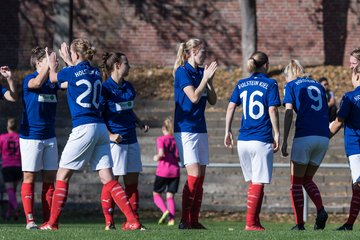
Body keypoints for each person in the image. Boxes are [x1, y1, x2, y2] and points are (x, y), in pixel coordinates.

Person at [40, 39, 140, 231]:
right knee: (108, 178)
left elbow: (53, 79)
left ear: (75, 55)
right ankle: (132, 220)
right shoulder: (95, 72)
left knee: (62, 174)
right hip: (100, 128)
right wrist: (70, 61)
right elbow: (77, 75)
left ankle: (52, 223)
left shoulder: (71, 71)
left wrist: (53, 64)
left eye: (71, 52)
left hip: (83, 127)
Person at [224, 51, 280, 231]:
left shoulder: (241, 83)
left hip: (243, 140)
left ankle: (254, 221)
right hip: (260, 138)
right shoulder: (271, 83)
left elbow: (231, 106)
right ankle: (250, 223)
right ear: (265, 65)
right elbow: (272, 110)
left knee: (254, 181)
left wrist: (227, 130)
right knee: (258, 181)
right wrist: (277, 133)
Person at [100, 51, 149, 230]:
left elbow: (128, 110)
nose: (130, 66)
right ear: (117, 66)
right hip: (116, 142)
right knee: (112, 181)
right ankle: (108, 221)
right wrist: (110, 135)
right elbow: (99, 115)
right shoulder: (105, 88)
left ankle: (132, 221)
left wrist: (139, 122)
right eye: (127, 63)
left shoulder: (129, 87)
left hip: (131, 139)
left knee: (132, 182)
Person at [173, 38, 217, 229]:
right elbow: (192, 97)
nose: (204, 55)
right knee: (194, 174)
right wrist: (204, 79)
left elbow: (213, 100)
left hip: (200, 128)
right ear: (190, 53)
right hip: (186, 130)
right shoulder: (182, 72)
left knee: (201, 177)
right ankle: (184, 219)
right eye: (201, 52)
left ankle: (194, 220)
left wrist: (210, 82)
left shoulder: (201, 72)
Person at [19, 47, 64, 230]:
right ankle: (30, 220)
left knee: (49, 178)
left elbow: (68, 83)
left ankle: (48, 221)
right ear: (38, 63)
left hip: (49, 136)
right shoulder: (30, 79)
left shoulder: (52, 83)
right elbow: (37, 83)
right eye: (48, 59)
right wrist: (48, 66)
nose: (53, 62)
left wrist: (69, 64)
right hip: (31, 137)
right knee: (29, 177)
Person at [281, 60, 329, 231]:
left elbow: (288, 113)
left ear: (289, 74)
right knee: (307, 179)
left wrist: (285, 139)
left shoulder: (291, 85)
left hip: (305, 135)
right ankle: (321, 210)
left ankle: (299, 224)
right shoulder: (318, 85)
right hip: (323, 136)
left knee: (295, 182)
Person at [330, 64, 360, 231]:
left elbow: (338, 122)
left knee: (358, 185)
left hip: (355, 147)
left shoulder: (350, 96)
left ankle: (349, 225)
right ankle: (349, 223)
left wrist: (324, 137)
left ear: (356, 76)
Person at [152, 117, 180, 226]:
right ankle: (171, 220)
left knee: (156, 194)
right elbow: (178, 157)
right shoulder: (176, 140)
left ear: (163, 128)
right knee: (170, 196)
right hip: (175, 171)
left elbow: (161, 153)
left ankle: (165, 211)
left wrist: (156, 157)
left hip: (163, 171)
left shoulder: (161, 139)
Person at [0, 118, 21, 220]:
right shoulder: (20, 138)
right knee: (12, 191)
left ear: (7, 127)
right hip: (18, 167)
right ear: (16, 127)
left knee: (10, 191)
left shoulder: (2, 138)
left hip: (7, 166)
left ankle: (16, 207)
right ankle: (9, 214)